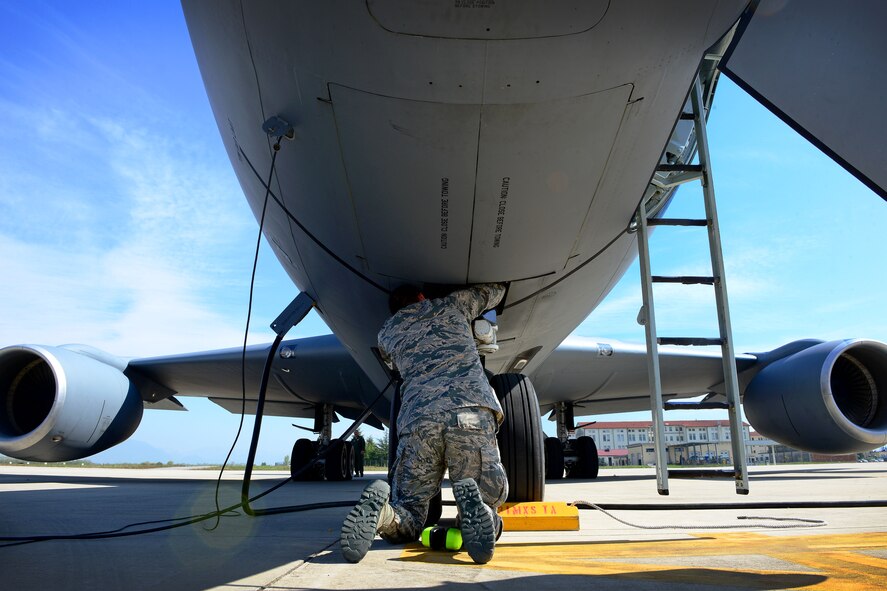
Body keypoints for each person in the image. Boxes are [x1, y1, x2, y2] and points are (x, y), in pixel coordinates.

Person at [340, 283, 508, 565]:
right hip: (468, 409)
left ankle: (384, 515)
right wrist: (500, 288)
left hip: (419, 419)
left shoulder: (387, 333)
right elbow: (492, 293)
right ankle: (481, 514)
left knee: (410, 509)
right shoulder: (451, 304)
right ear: (421, 296)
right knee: (484, 493)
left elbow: (393, 364)